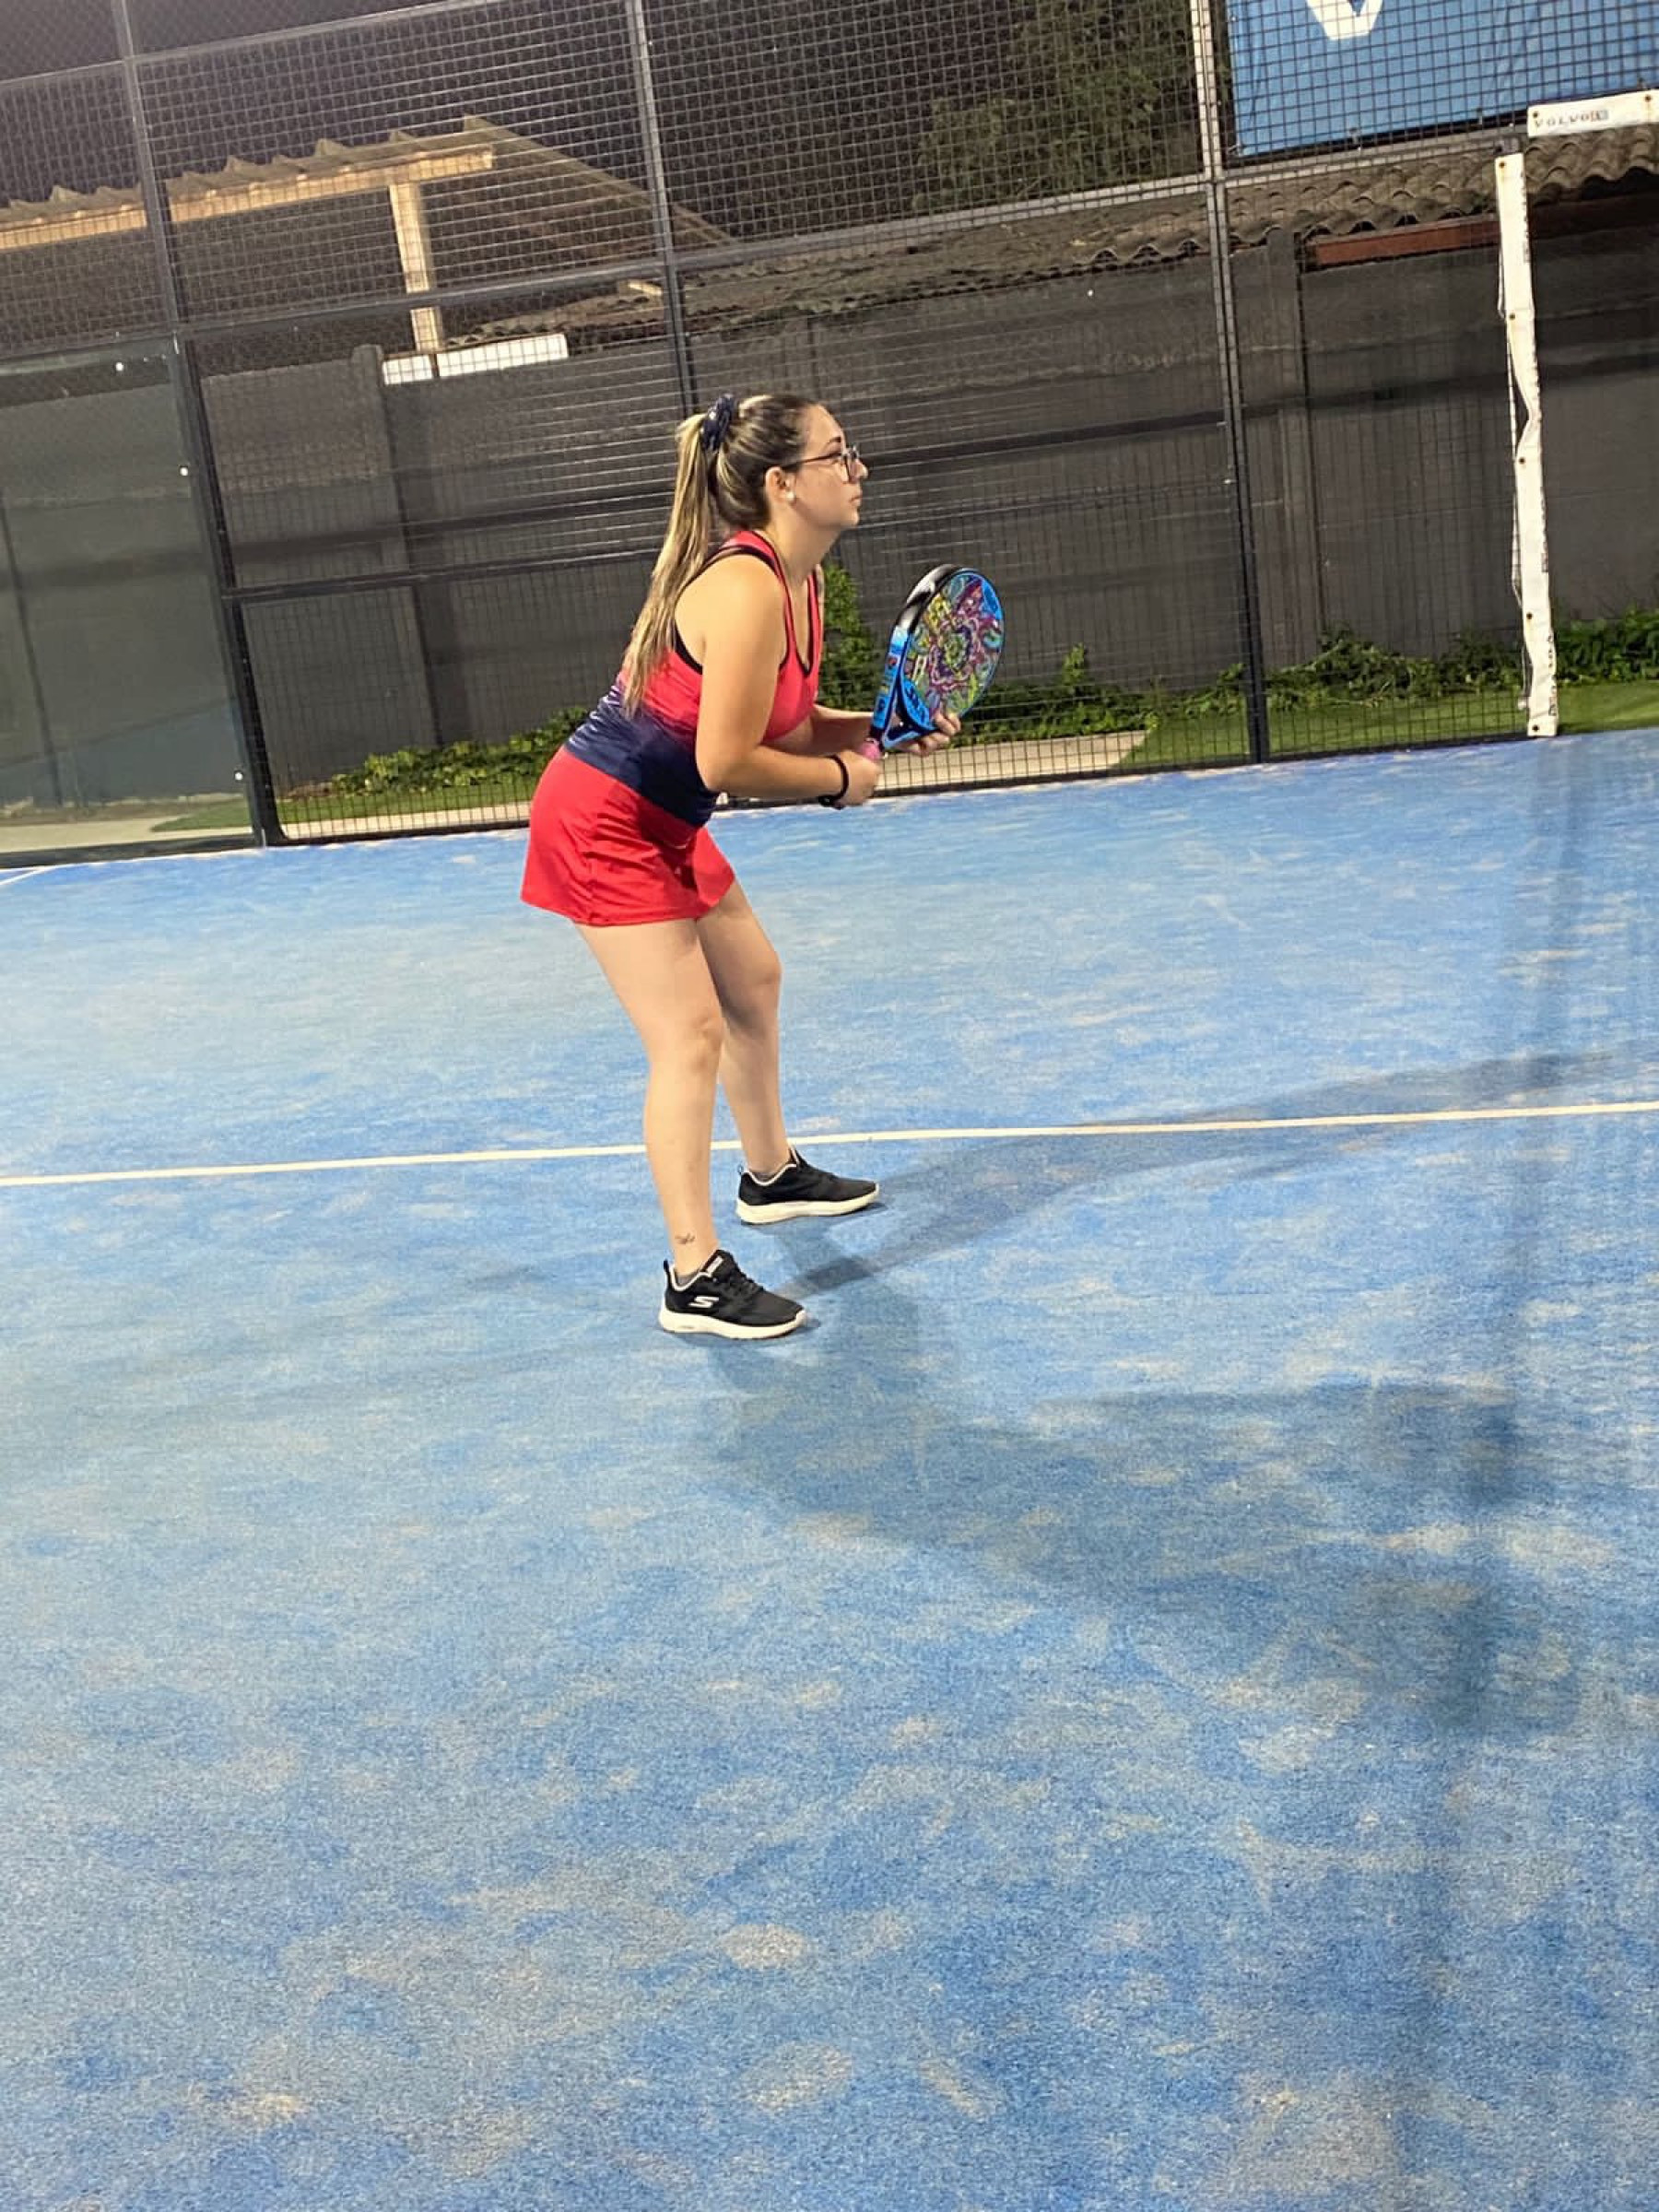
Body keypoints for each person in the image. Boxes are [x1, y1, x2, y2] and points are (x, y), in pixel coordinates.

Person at [521, 391, 956, 1340]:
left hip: (665, 817)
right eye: (838, 454)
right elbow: (728, 761)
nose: (858, 468)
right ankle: (693, 1275)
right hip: (604, 820)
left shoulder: (798, 583)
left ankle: (771, 1176)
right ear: (783, 484)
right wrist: (840, 781)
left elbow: (782, 725)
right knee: (689, 1037)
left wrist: (883, 726)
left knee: (753, 980)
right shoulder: (747, 587)